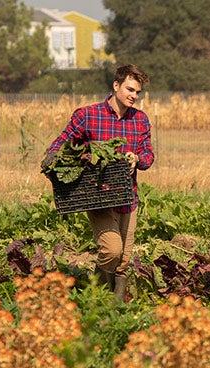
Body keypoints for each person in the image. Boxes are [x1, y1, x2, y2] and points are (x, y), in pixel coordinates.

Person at [45, 64, 154, 301]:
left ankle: (114, 306)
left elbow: (148, 155)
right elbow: (60, 144)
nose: (134, 96)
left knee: (124, 259)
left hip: (128, 197)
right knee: (112, 249)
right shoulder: (88, 115)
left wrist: (138, 158)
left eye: (137, 92)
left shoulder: (141, 120)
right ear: (116, 86)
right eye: (130, 89)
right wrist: (53, 162)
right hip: (98, 196)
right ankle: (95, 293)